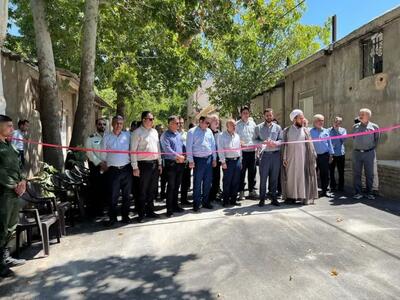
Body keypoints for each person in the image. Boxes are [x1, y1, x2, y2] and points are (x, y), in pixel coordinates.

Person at [0, 115, 27, 278]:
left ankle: (5, 257)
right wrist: (13, 185)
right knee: (1, 227)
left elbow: (18, 165)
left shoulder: (9, 145)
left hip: (14, 194)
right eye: (9, 126)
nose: (12, 128)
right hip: (4, 193)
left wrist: (22, 181)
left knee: (11, 226)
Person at [281, 109, 318, 205]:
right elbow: (284, 145)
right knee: (290, 178)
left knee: (302, 178)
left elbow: (311, 145)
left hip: (303, 159)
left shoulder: (305, 131)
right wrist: (284, 158)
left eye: (303, 118)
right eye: (300, 118)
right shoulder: (287, 130)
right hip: (290, 159)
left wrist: (313, 158)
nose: (303, 120)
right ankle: (291, 197)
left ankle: (303, 197)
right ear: (294, 119)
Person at [101, 115, 132, 226]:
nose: (118, 125)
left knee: (126, 195)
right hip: (113, 170)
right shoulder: (107, 137)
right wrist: (104, 164)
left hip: (126, 169)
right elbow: (103, 153)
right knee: (113, 196)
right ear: (112, 124)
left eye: (121, 123)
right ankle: (112, 218)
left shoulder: (128, 136)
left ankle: (125, 217)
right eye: (116, 123)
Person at [131, 111, 162, 222]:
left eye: (153, 119)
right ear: (143, 119)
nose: (152, 121)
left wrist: (159, 163)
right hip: (143, 165)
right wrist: (135, 167)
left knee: (152, 190)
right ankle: (141, 214)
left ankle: (150, 211)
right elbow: (133, 151)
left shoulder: (154, 132)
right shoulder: (137, 133)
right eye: (150, 119)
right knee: (142, 191)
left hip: (154, 164)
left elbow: (158, 149)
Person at [186, 116, 217, 211]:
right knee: (197, 182)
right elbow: (189, 147)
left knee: (207, 182)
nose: (208, 125)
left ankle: (206, 202)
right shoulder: (191, 132)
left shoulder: (209, 132)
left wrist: (214, 158)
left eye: (208, 123)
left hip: (208, 159)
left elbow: (213, 146)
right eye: (206, 123)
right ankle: (196, 203)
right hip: (198, 160)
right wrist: (191, 160)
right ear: (200, 121)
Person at [254, 109, 282, 207]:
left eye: (270, 115)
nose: (269, 117)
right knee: (263, 178)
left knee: (274, 178)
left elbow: (281, 140)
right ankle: (262, 198)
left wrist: (275, 143)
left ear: (272, 115)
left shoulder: (278, 127)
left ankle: (273, 198)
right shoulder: (258, 127)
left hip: (275, 155)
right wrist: (262, 143)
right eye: (267, 115)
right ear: (264, 116)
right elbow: (254, 140)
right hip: (264, 156)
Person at [160, 116, 185, 217]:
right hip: (171, 164)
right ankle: (169, 209)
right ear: (170, 123)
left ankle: (175, 205)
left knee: (176, 186)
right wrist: (178, 156)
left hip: (180, 164)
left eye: (179, 123)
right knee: (171, 187)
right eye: (176, 123)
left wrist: (184, 155)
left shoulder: (178, 134)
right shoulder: (165, 135)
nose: (178, 125)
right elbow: (167, 149)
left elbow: (182, 146)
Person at [352, 108, 379, 200]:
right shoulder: (355, 127)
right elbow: (354, 139)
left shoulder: (375, 127)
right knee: (357, 174)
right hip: (357, 153)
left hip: (369, 153)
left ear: (368, 116)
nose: (360, 115)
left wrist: (370, 149)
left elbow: (376, 140)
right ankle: (358, 192)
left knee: (369, 174)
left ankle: (369, 193)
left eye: (362, 114)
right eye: (360, 113)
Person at [85, 117, 107, 217]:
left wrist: (107, 163)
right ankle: (97, 211)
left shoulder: (109, 137)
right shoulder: (91, 138)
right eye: (100, 124)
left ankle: (106, 208)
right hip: (96, 167)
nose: (102, 126)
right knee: (97, 189)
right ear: (96, 125)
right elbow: (89, 153)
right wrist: (100, 163)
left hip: (108, 166)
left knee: (107, 188)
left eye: (104, 124)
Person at [218, 119, 242, 207]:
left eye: (235, 125)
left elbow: (239, 149)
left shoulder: (237, 136)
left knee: (235, 182)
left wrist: (240, 161)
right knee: (227, 181)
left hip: (237, 161)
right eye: (232, 125)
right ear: (227, 126)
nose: (234, 127)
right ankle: (225, 201)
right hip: (228, 161)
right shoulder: (221, 136)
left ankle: (233, 200)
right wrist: (223, 162)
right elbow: (220, 150)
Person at [236, 106, 258, 200]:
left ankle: (251, 190)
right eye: (244, 113)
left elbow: (256, 136)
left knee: (252, 172)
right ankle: (241, 191)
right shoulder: (237, 125)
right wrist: (239, 142)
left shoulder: (253, 124)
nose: (245, 114)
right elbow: (234, 137)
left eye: (247, 113)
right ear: (241, 114)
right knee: (241, 172)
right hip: (242, 153)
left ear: (249, 114)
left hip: (252, 152)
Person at [310, 114, 334, 197]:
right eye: (319, 120)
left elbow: (329, 143)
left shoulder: (326, 131)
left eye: (322, 120)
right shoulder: (310, 131)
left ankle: (325, 190)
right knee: (313, 173)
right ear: (314, 122)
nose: (321, 122)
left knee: (325, 174)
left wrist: (331, 154)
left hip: (324, 155)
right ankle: (313, 191)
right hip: (314, 156)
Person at [329, 117, 347, 191]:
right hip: (332, 154)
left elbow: (343, 139)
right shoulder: (328, 130)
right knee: (331, 171)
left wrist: (337, 131)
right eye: (336, 122)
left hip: (340, 153)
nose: (337, 123)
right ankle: (332, 185)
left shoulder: (343, 130)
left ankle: (341, 186)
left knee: (341, 171)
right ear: (333, 122)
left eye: (339, 122)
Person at [178, 117, 192, 205]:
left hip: (185, 161)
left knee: (185, 182)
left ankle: (184, 199)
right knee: (175, 183)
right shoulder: (172, 134)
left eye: (182, 123)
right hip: (176, 162)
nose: (180, 124)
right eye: (179, 122)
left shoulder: (187, 134)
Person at [208, 114, 221, 203]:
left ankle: (215, 194)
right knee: (209, 178)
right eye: (214, 120)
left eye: (218, 120)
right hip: (209, 158)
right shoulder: (207, 132)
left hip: (218, 158)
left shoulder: (219, 132)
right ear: (210, 122)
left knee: (217, 177)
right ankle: (208, 196)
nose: (217, 122)